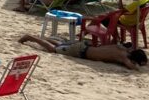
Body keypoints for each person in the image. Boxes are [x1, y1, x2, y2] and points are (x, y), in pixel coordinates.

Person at [18, 34, 147, 70]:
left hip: (84, 46)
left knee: (61, 46)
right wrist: (141, 65)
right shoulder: (123, 57)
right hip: (81, 51)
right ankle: (30, 37)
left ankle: (44, 38)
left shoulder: (121, 48)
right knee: (53, 50)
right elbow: (134, 68)